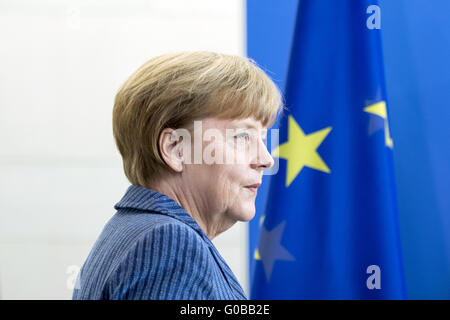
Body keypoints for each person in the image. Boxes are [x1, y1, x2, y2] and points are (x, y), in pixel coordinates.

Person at [72, 51, 283, 300]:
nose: (266, 160)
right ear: (176, 149)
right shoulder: (170, 244)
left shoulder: (129, 234)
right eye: (242, 136)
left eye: (262, 138)